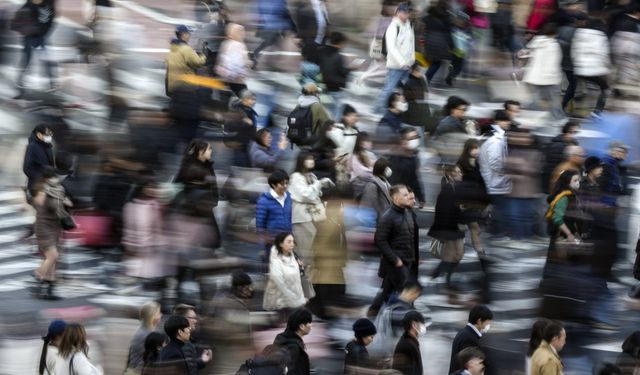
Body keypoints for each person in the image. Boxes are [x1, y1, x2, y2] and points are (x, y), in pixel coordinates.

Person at [369, 185, 416, 315]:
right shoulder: (387, 217)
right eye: (405, 195)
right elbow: (380, 240)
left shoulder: (406, 212)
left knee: (387, 291)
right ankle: (414, 320)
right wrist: (395, 260)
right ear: (396, 198)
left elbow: (408, 237)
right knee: (408, 291)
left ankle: (372, 311)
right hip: (396, 263)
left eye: (408, 194)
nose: (409, 197)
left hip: (406, 260)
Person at [32, 167, 72, 300]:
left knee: (53, 260)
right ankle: (38, 276)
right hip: (43, 227)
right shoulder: (42, 191)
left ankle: (49, 289)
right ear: (46, 178)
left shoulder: (57, 190)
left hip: (55, 227)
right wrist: (51, 194)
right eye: (51, 177)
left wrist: (63, 200)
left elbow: (67, 204)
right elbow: (40, 204)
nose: (54, 179)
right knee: (52, 256)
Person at [173, 139, 221, 249]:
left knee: (211, 237)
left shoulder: (208, 165)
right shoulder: (189, 165)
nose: (211, 152)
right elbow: (179, 182)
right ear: (200, 151)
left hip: (205, 204)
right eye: (209, 149)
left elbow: (214, 186)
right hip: (195, 205)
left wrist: (214, 200)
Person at [289, 152, 333, 262]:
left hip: (314, 216)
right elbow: (305, 195)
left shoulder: (312, 176)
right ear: (301, 161)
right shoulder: (295, 177)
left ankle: (308, 271)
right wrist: (319, 184)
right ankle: (302, 271)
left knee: (312, 247)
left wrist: (322, 186)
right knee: (304, 248)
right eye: (308, 159)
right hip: (301, 218)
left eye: (312, 159)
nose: (311, 161)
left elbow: (315, 195)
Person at [429, 165, 466, 291]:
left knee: (458, 255)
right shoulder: (447, 190)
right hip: (450, 229)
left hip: (457, 228)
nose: (461, 174)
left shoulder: (457, 188)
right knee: (451, 256)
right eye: (457, 172)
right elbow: (441, 212)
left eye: (461, 172)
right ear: (450, 175)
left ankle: (437, 274)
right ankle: (447, 282)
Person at [122, 181, 168, 280]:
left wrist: (158, 243)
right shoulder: (132, 205)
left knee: (148, 275)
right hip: (135, 245)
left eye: (155, 188)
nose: (152, 190)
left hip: (152, 246)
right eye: (149, 187)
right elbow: (129, 226)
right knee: (134, 273)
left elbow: (159, 227)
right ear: (142, 188)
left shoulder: (158, 205)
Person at [478, 110, 512, 240]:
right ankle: (497, 233)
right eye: (505, 120)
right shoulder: (496, 140)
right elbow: (495, 163)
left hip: (495, 180)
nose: (508, 123)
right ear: (497, 122)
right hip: (495, 181)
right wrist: (506, 171)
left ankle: (496, 231)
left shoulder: (496, 137)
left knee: (499, 207)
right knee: (500, 208)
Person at [376, 2, 414, 113]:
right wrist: (401, 62)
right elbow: (391, 48)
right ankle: (380, 110)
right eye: (404, 12)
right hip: (395, 65)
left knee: (405, 89)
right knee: (389, 89)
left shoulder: (409, 25)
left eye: (408, 12)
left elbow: (411, 45)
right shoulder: (393, 27)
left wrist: (411, 60)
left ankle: (402, 109)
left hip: (407, 64)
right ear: (398, 12)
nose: (406, 15)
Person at [523, 22, 565, 121]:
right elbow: (553, 62)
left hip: (533, 77)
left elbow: (527, 57)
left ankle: (527, 113)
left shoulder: (536, 42)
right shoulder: (553, 45)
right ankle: (559, 118)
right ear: (554, 33)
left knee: (535, 98)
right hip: (548, 78)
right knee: (554, 99)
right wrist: (553, 77)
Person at [15, 0, 57, 95]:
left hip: (41, 37)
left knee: (47, 60)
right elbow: (20, 17)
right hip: (29, 37)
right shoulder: (28, 4)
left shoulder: (49, 5)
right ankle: (20, 80)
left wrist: (44, 33)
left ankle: (52, 83)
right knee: (26, 60)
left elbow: (51, 21)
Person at [571, 18, 610, 117]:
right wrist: (606, 67)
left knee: (579, 87)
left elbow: (574, 50)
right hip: (594, 70)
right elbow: (604, 54)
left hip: (579, 68)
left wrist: (576, 63)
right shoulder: (601, 37)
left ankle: (575, 108)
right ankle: (597, 111)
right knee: (605, 88)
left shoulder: (579, 33)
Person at [457, 139, 488, 255]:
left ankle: (478, 250)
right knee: (472, 227)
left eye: (477, 148)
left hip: (473, 202)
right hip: (463, 202)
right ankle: (478, 250)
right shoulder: (461, 164)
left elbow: (481, 183)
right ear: (467, 149)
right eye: (473, 148)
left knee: (473, 228)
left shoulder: (477, 164)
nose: (476, 151)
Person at [263, 232, 307, 312]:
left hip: (294, 302)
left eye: (293, 241)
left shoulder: (294, 257)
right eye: (289, 242)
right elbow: (281, 285)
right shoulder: (276, 262)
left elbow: (297, 281)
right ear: (281, 244)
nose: (292, 244)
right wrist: (296, 300)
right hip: (280, 304)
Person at [448, 305, 493, 374]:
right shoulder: (469, 338)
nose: (488, 325)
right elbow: (468, 366)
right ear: (479, 321)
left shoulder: (465, 333)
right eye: (487, 322)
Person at [388, 127, 425, 208]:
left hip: (405, 199)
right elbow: (393, 183)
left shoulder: (412, 157)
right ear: (403, 142)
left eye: (416, 137)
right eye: (411, 138)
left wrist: (420, 197)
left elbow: (414, 178)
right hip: (396, 201)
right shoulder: (395, 158)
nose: (415, 140)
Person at [256, 170, 293, 252]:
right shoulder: (264, 201)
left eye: (287, 183)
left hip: (286, 240)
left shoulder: (288, 198)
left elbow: (289, 218)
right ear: (273, 185)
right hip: (271, 241)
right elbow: (260, 224)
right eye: (282, 184)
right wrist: (262, 243)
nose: (285, 186)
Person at [165, 24, 207, 96]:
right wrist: (204, 55)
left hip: (173, 86)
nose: (189, 35)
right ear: (183, 34)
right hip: (185, 87)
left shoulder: (172, 49)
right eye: (188, 33)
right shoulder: (186, 49)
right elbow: (198, 62)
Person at [319, 31, 352, 120]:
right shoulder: (338, 56)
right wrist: (351, 68)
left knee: (327, 109)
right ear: (341, 43)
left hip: (323, 86)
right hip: (336, 88)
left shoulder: (323, 52)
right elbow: (343, 72)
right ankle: (333, 129)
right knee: (337, 111)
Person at [171, 304, 212, 374]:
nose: (195, 321)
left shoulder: (175, 337)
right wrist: (202, 360)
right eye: (192, 318)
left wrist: (202, 360)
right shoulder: (184, 343)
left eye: (195, 318)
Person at [252, 0, 296, 66]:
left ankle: (258, 56)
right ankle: (260, 57)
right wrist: (292, 26)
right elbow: (283, 12)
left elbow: (260, 11)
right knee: (275, 43)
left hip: (267, 25)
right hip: (273, 26)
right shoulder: (279, 1)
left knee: (272, 42)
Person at [541, 121, 580, 194]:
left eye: (576, 132)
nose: (575, 135)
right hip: (555, 185)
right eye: (574, 132)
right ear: (567, 133)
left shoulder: (571, 145)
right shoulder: (558, 146)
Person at [125, 301, 162, 374]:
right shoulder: (145, 334)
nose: (161, 315)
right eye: (158, 313)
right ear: (152, 316)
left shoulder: (147, 330)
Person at [272, 308, 313, 375]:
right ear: (302, 326)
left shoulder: (282, 339)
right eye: (309, 322)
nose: (311, 325)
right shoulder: (294, 347)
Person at [215, 22, 252, 96]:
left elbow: (219, 63)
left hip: (225, 80)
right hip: (236, 80)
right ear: (234, 33)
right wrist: (249, 64)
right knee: (244, 100)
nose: (243, 34)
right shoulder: (239, 45)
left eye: (243, 31)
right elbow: (241, 63)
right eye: (240, 32)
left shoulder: (225, 43)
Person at [422, 0, 453, 84]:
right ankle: (425, 79)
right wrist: (451, 46)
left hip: (429, 41)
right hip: (440, 43)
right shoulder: (447, 18)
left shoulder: (429, 16)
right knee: (437, 63)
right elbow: (449, 34)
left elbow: (423, 21)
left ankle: (425, 79)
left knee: (434, 62)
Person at [226, 90, 258, 168]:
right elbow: (230, 126)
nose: (254, 102)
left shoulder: (249, 111)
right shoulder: (237, 111)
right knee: (239, 167)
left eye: (255, 100)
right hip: (238, 144)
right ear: (245, 99)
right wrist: (246, 123)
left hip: (246, 145)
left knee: (244, 167)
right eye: (252, 99)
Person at [23, 124, 55, 198]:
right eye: (47, 134)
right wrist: (41, 178)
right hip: (36, 187)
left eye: (50, 134)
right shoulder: (32, 146)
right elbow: (26, 168)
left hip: (47, 186)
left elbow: (51, 164)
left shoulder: (48, 146)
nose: (49, 136)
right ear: (39, 134)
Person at [391, 310, 426, 375]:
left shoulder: (410, 341)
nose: (424, 326)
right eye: (422, 323)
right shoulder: (408, 345)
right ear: (414, 324)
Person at [360, 158, 393, 223]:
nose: (390, 170)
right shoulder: (372, 184)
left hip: (384, 218)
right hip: (376, 220)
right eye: (387, 168)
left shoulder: (385, 182)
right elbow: (369, 204)